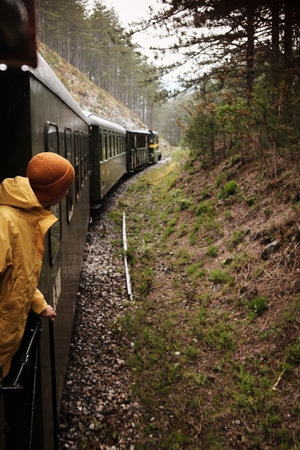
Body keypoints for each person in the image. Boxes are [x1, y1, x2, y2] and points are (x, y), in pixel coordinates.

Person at [0, 152, 75, 378]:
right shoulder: (7, 223)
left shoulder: (30, 217)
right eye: (67, 186)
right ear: (55, 192)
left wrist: (39, 305)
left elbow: (19, 277)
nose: (68, 192)